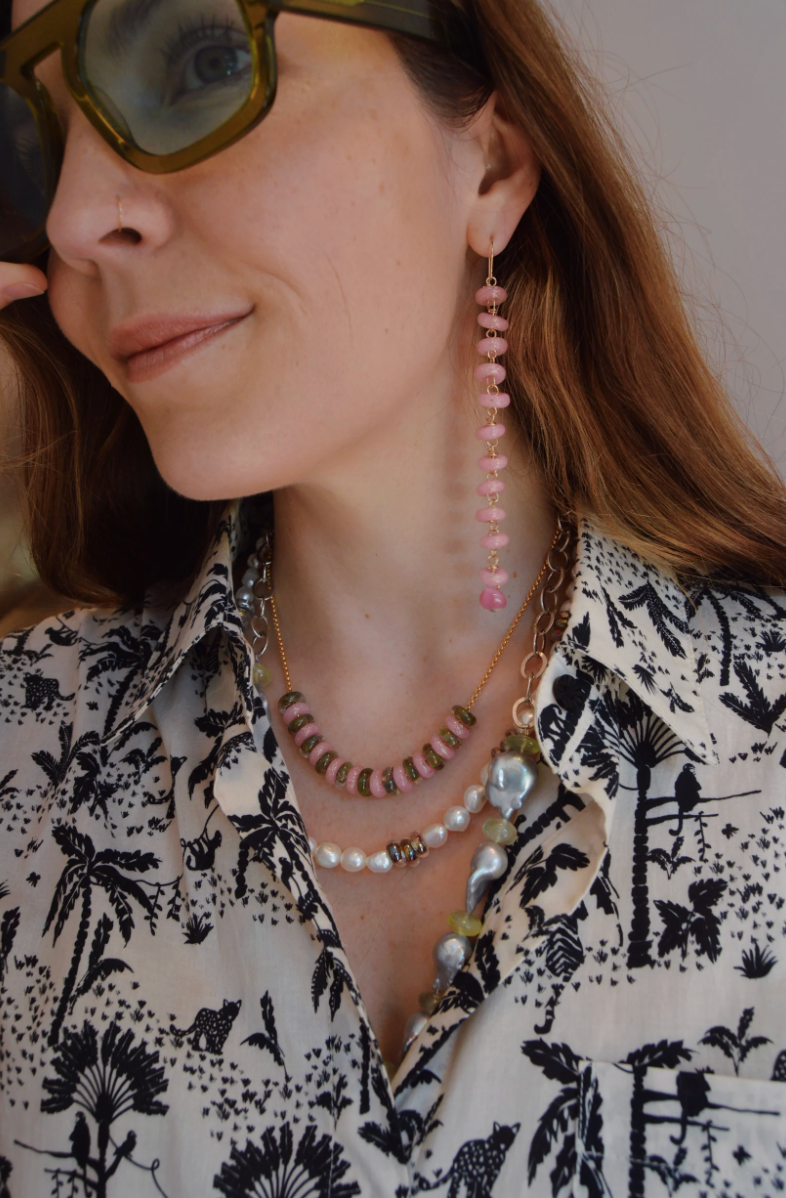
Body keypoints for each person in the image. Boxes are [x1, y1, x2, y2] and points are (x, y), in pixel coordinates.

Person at [1, 0, 785, 1193]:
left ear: (495, 162)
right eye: (32, 140)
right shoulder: (21, 756)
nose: (75, 218)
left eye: (206, 61)